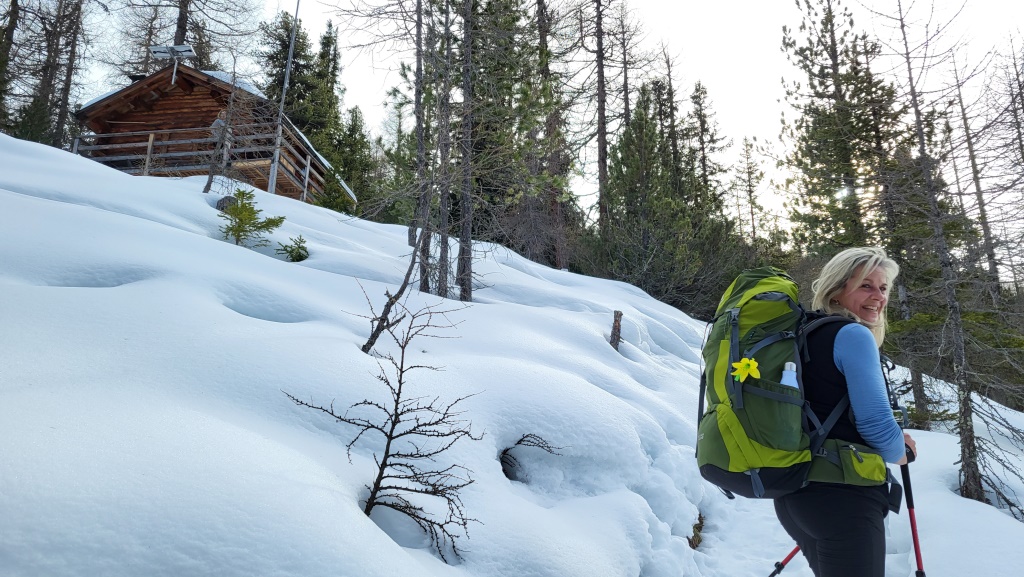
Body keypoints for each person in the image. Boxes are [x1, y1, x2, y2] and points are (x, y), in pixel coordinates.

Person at [773, 247, 917, 577]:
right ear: (837, 290)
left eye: (883, 288)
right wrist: (902, 451)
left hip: (795, 497)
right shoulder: (852, 335)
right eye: (866, 285)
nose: (878, 297)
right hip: (843, 497)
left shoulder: (805, 331)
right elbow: (876, 425)